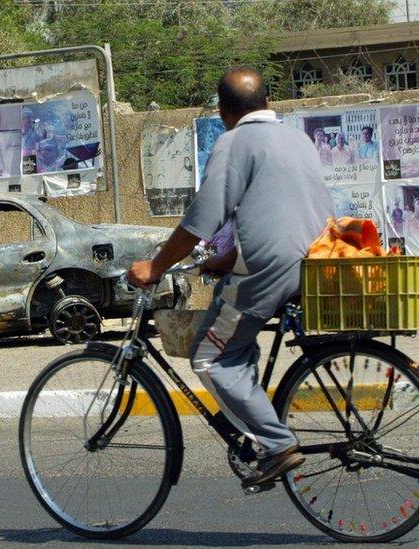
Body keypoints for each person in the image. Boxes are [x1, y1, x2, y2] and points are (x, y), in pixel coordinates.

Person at [127, 66, 333, 486]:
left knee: (211, 357)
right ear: (268, 103)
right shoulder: (297, 139)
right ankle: (260, 427)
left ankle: (276, 445)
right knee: (235, 336)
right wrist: (226, 258)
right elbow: (280, 216)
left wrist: (156, 266)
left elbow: (203, 217)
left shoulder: (233, 142)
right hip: (315, 261)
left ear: (223, 111)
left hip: (266, 272)